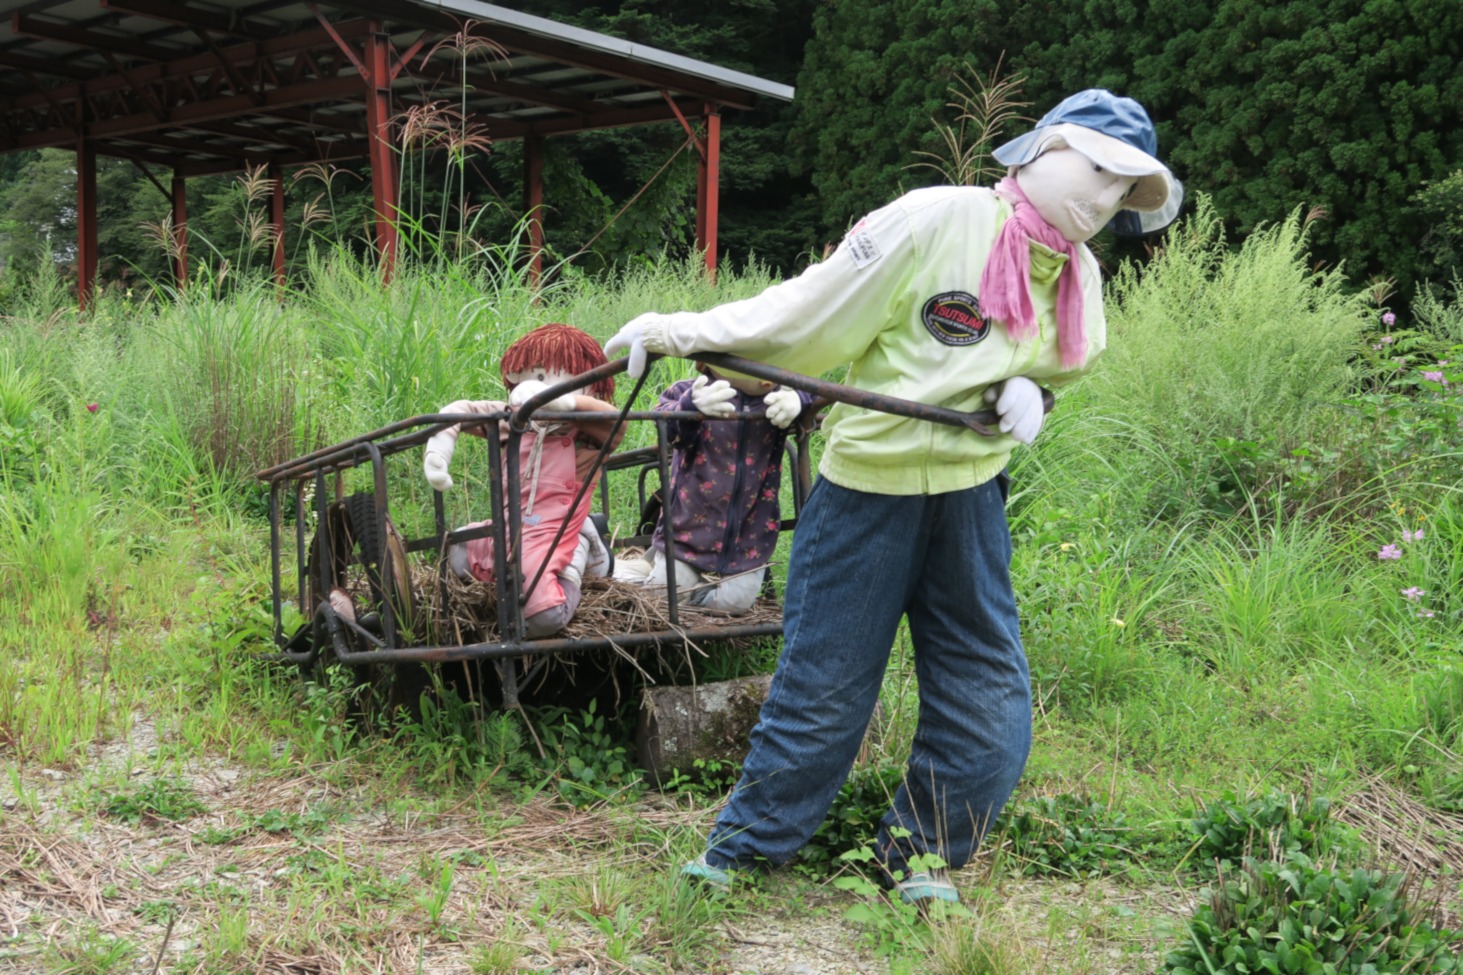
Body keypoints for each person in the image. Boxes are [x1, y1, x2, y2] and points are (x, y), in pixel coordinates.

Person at [604, 90, 1181, 905]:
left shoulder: (1077, 271)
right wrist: (679, 329)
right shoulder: (933, 219)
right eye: (1097, 170)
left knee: (988, 696)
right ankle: (743, 849)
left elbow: (1059, 362)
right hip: (866, 493)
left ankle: (919, 853)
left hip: (969, 497)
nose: (1103, 198)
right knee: (826, 684)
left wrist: (1032, 393)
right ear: (1044, 151)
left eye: (1125, 189)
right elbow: (808, 311)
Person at [424, 323, 621, 638]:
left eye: (557, 378)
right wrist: (439, 447)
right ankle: (562, 551)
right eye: (535, 377)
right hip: (508, 526)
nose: (539, 387)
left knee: (542, 614)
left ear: (591, 386)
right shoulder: (516, 421)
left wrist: (563, 402)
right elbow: (464, 411)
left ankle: (573, 564)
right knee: (455, 550)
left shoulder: (587, 434)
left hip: (550, 531)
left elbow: (613, 419)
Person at [614, 364, 814, 614]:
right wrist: (691, 407)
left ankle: (680, 586)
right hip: (687, 531)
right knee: (663, 597)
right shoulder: (691, 391)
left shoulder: (776, 399)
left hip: (748, 537)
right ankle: (635, 573)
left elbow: (822, 389)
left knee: (735, 603)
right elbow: (665, 427)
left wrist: (801, 398)